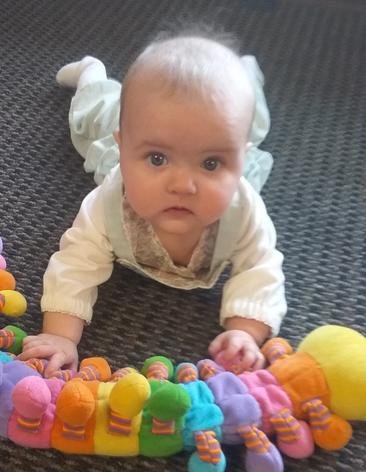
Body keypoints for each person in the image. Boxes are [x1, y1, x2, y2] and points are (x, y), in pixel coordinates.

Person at [19, 26, 286, 375]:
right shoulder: (110, 203)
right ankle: (92, 73)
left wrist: (245, 332)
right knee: (93, 117)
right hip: (115, 124)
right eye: (157, 159)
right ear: (124, 148)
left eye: (211, 163)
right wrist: (60, 336)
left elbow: (259, 267)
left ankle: (244, 70)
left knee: (251, 117)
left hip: (217, 134)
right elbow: (76, 262)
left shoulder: (243, 209)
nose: (182, 185)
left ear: (240, 162)